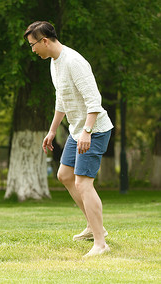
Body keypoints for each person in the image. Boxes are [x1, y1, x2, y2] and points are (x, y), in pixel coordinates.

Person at [24, 21, 114, 257]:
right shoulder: (54, 63)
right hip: (77, 129)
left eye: (33, 45)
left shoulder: (74, 62)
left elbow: (94, 99)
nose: (32, 50)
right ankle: (95, 227)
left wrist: (87, 130)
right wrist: (53, 130)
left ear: (44, 41)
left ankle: (101, 244)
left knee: (83, 183)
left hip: (93, 129)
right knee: (64, 175)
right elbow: (62, 99)